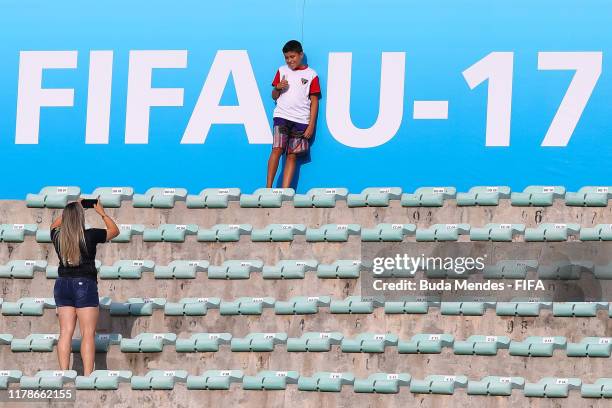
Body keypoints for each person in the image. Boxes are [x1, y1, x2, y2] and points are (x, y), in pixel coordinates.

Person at [49, 200, 119, 375]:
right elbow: (114, 231)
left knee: (65, 332)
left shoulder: (57, 236)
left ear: (65, 218)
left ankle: (64, 374)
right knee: (88, 333)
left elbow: (53, 224)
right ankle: (88, 375)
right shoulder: (90, 235)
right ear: (81, 217)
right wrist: (101, 213)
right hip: (84, 284)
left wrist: (75, 204)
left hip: (62, 284)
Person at [267, 40, 321, 188]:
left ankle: (284, 192)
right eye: (287, 57)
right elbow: (274, 96)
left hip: (301, 121)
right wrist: (277, 88)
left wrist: (311, 126)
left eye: (292, 56)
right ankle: (268, 188)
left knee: (292, 155)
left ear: (300, 54)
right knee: (277, 149)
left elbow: (314, 101)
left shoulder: (311, 75)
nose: (290, 60)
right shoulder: (282, 71)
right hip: (282, 117)